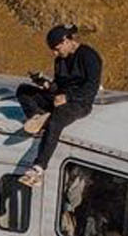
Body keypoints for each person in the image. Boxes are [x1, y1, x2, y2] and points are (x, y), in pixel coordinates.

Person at [15, 24, 101, 188]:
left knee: (57, 121)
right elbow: (59, 85)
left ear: (67, 41)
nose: (55, 53)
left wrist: (68, 97)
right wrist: (47, 85)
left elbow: (91, 88)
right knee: (23, 90)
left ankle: (39, 167)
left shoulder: (89, 57)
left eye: (56, 48)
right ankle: (38, 116)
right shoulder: (60, 60)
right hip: (59, 98)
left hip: (79, 103)